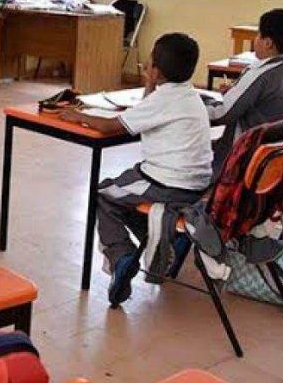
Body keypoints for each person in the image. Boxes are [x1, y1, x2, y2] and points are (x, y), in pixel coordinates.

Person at [59, 33, 213, 306]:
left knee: (104, 194)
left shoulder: (164, 99)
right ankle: (164, 241)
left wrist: (77, 115)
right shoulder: (188, 94)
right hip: (197, 185)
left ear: (156, 69)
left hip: (166, 183)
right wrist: (150, 83)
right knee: (124, 192)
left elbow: (111, 126)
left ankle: (122, 257)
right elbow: (146, 109)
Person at [208, 8, 283, 172]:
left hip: (255, 162)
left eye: (258, 34)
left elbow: (223, 114)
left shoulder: (262, 73)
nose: (256, 39)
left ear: (268, 43)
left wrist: (194, 105)